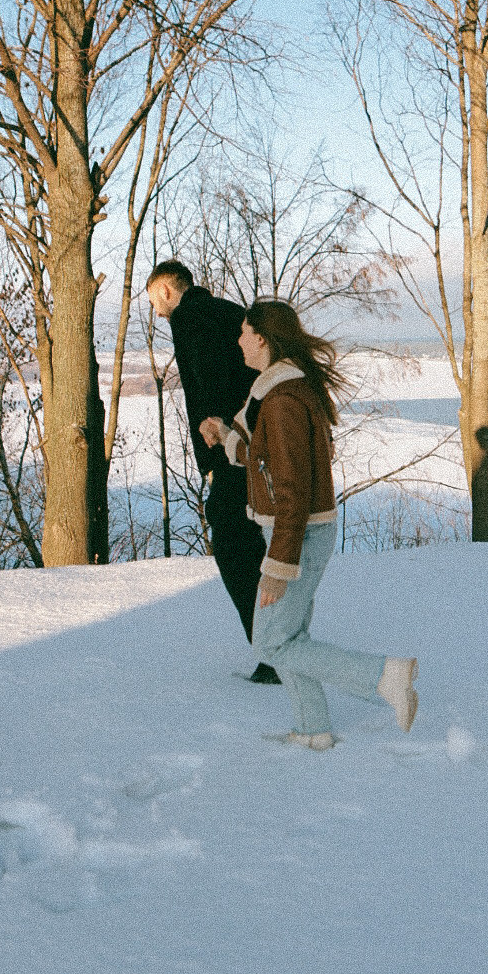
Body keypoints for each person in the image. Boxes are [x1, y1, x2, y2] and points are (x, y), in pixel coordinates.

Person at [207, 298, 419, 750]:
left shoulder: (282, 401)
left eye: (244, 331)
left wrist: (278, 565)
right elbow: (268, 461)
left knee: (270, 643)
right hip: (299, 532)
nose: (238, 340)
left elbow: (292, 492)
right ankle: (313, 731)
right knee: (289, 635)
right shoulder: (278, 392)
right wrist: (228, 438)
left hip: (297, 535)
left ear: (261, 337)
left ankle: (386, 676)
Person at [145, 260, 278, 684]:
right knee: (244, 539)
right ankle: (277, 644)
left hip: (234, 447)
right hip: (246, 440)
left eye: (153, 300)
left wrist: (220, 431)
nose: (156, 311)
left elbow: (210, 383)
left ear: (166, 290)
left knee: (232, 542)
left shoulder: (190, 320)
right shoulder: (222, 312)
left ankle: (276, 649)